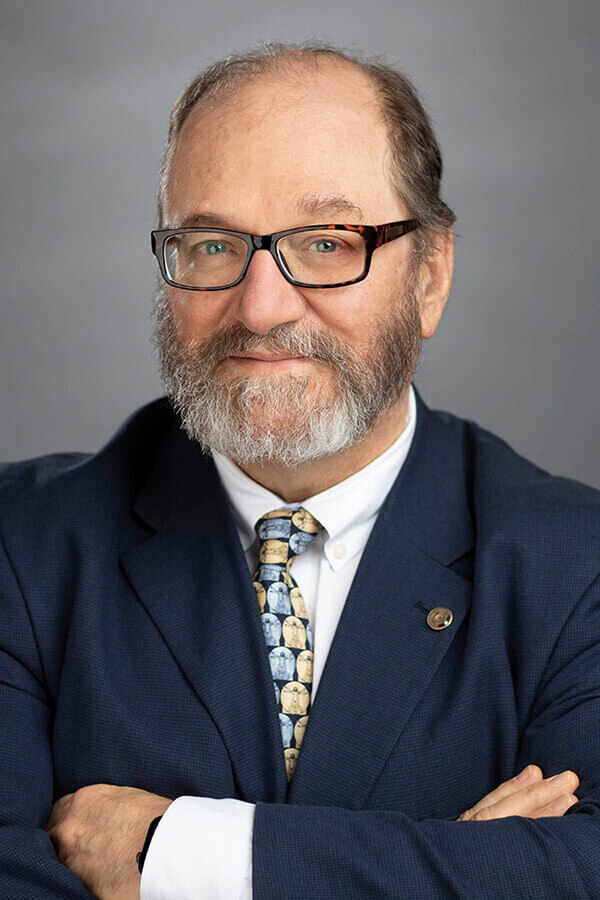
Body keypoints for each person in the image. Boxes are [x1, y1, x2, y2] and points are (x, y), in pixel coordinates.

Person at [1, 40, 599, 900]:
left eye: (325, 242)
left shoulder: (577, 566)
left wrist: (183, 854)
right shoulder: (21, 550)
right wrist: (463, 868)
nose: (261, 307)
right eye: (212, 244)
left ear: (430, 277)